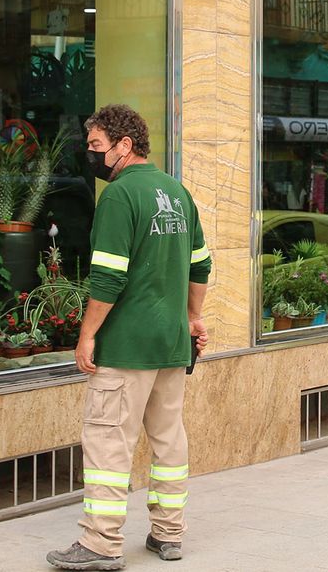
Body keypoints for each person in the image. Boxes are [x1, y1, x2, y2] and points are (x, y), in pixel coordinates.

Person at [47, 104, 211, 571]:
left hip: (126, 346)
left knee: (107, 443)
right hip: (170, 343)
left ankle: (100, 544)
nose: (91, 155)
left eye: (96, 146)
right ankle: (169, 533)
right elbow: (201, 263)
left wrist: (86, 336)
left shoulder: (119, 196)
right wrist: (192, 317)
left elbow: (108, 277)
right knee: (168, 439)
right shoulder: (176, 192)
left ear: (125, 145)